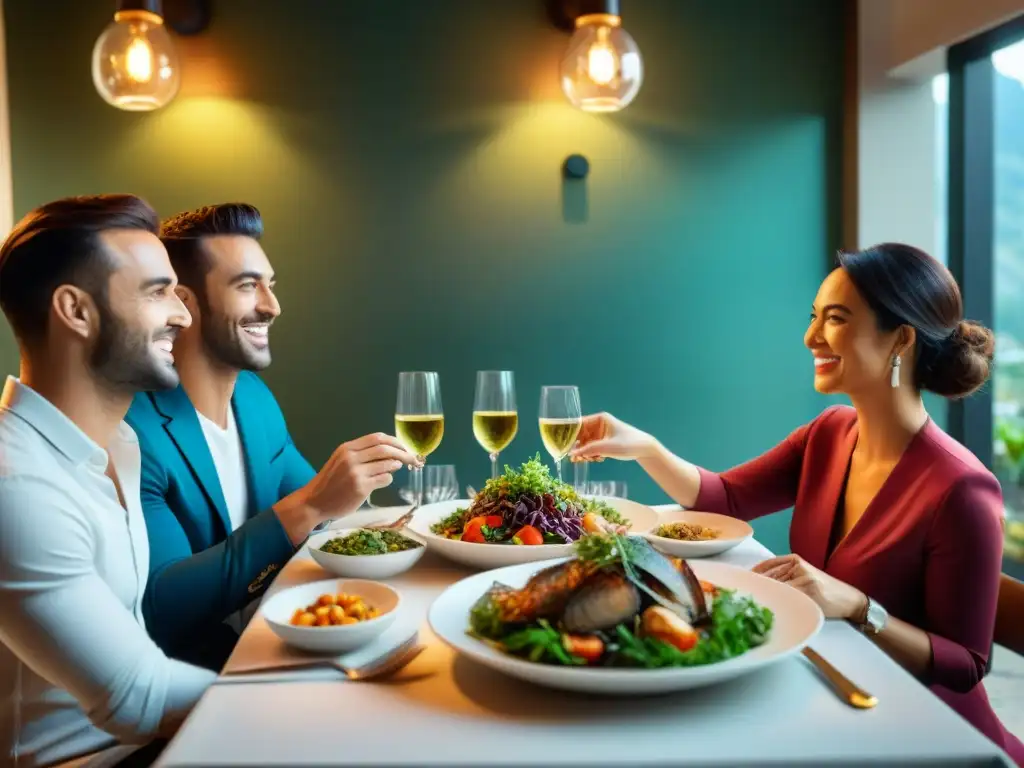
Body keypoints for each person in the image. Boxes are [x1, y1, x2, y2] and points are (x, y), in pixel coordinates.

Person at [570, 243, 1024, 765]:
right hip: (832, 694)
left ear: (900, 339)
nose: (811, 337)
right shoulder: (829, 433)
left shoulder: (963, 489)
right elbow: (727, 498)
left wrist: (857, 606)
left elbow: (964, 664)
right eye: (814, 317)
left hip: (925, 735)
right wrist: (644, 448)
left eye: (835, 319)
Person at [125, 203, 419, 669]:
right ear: (183, 302)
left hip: (280, 649)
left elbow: (326, 525)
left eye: (270, 285)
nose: (271, 305)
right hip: (194, 685)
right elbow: (163, 609)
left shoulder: (254, 400)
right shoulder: (135, 430)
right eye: (247, 286)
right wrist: (311, 505)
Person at [0, 194, 214, 767]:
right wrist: (323, 698)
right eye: (157, 292)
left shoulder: (122, 444)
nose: (184, 315)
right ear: (75, 310)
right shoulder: (14, 486)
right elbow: (137, 700)